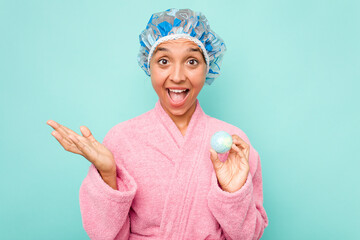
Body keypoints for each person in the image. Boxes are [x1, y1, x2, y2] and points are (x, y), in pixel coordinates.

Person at [47, 8, 268, 240]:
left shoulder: (233, 143)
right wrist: (108, 174)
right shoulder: (121, 139)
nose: (177, 76)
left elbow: (249, 235)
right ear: (149, 67)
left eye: (192, 61)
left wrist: (234, 194)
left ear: (207, 68)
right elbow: (106, 236)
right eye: (164, 61)